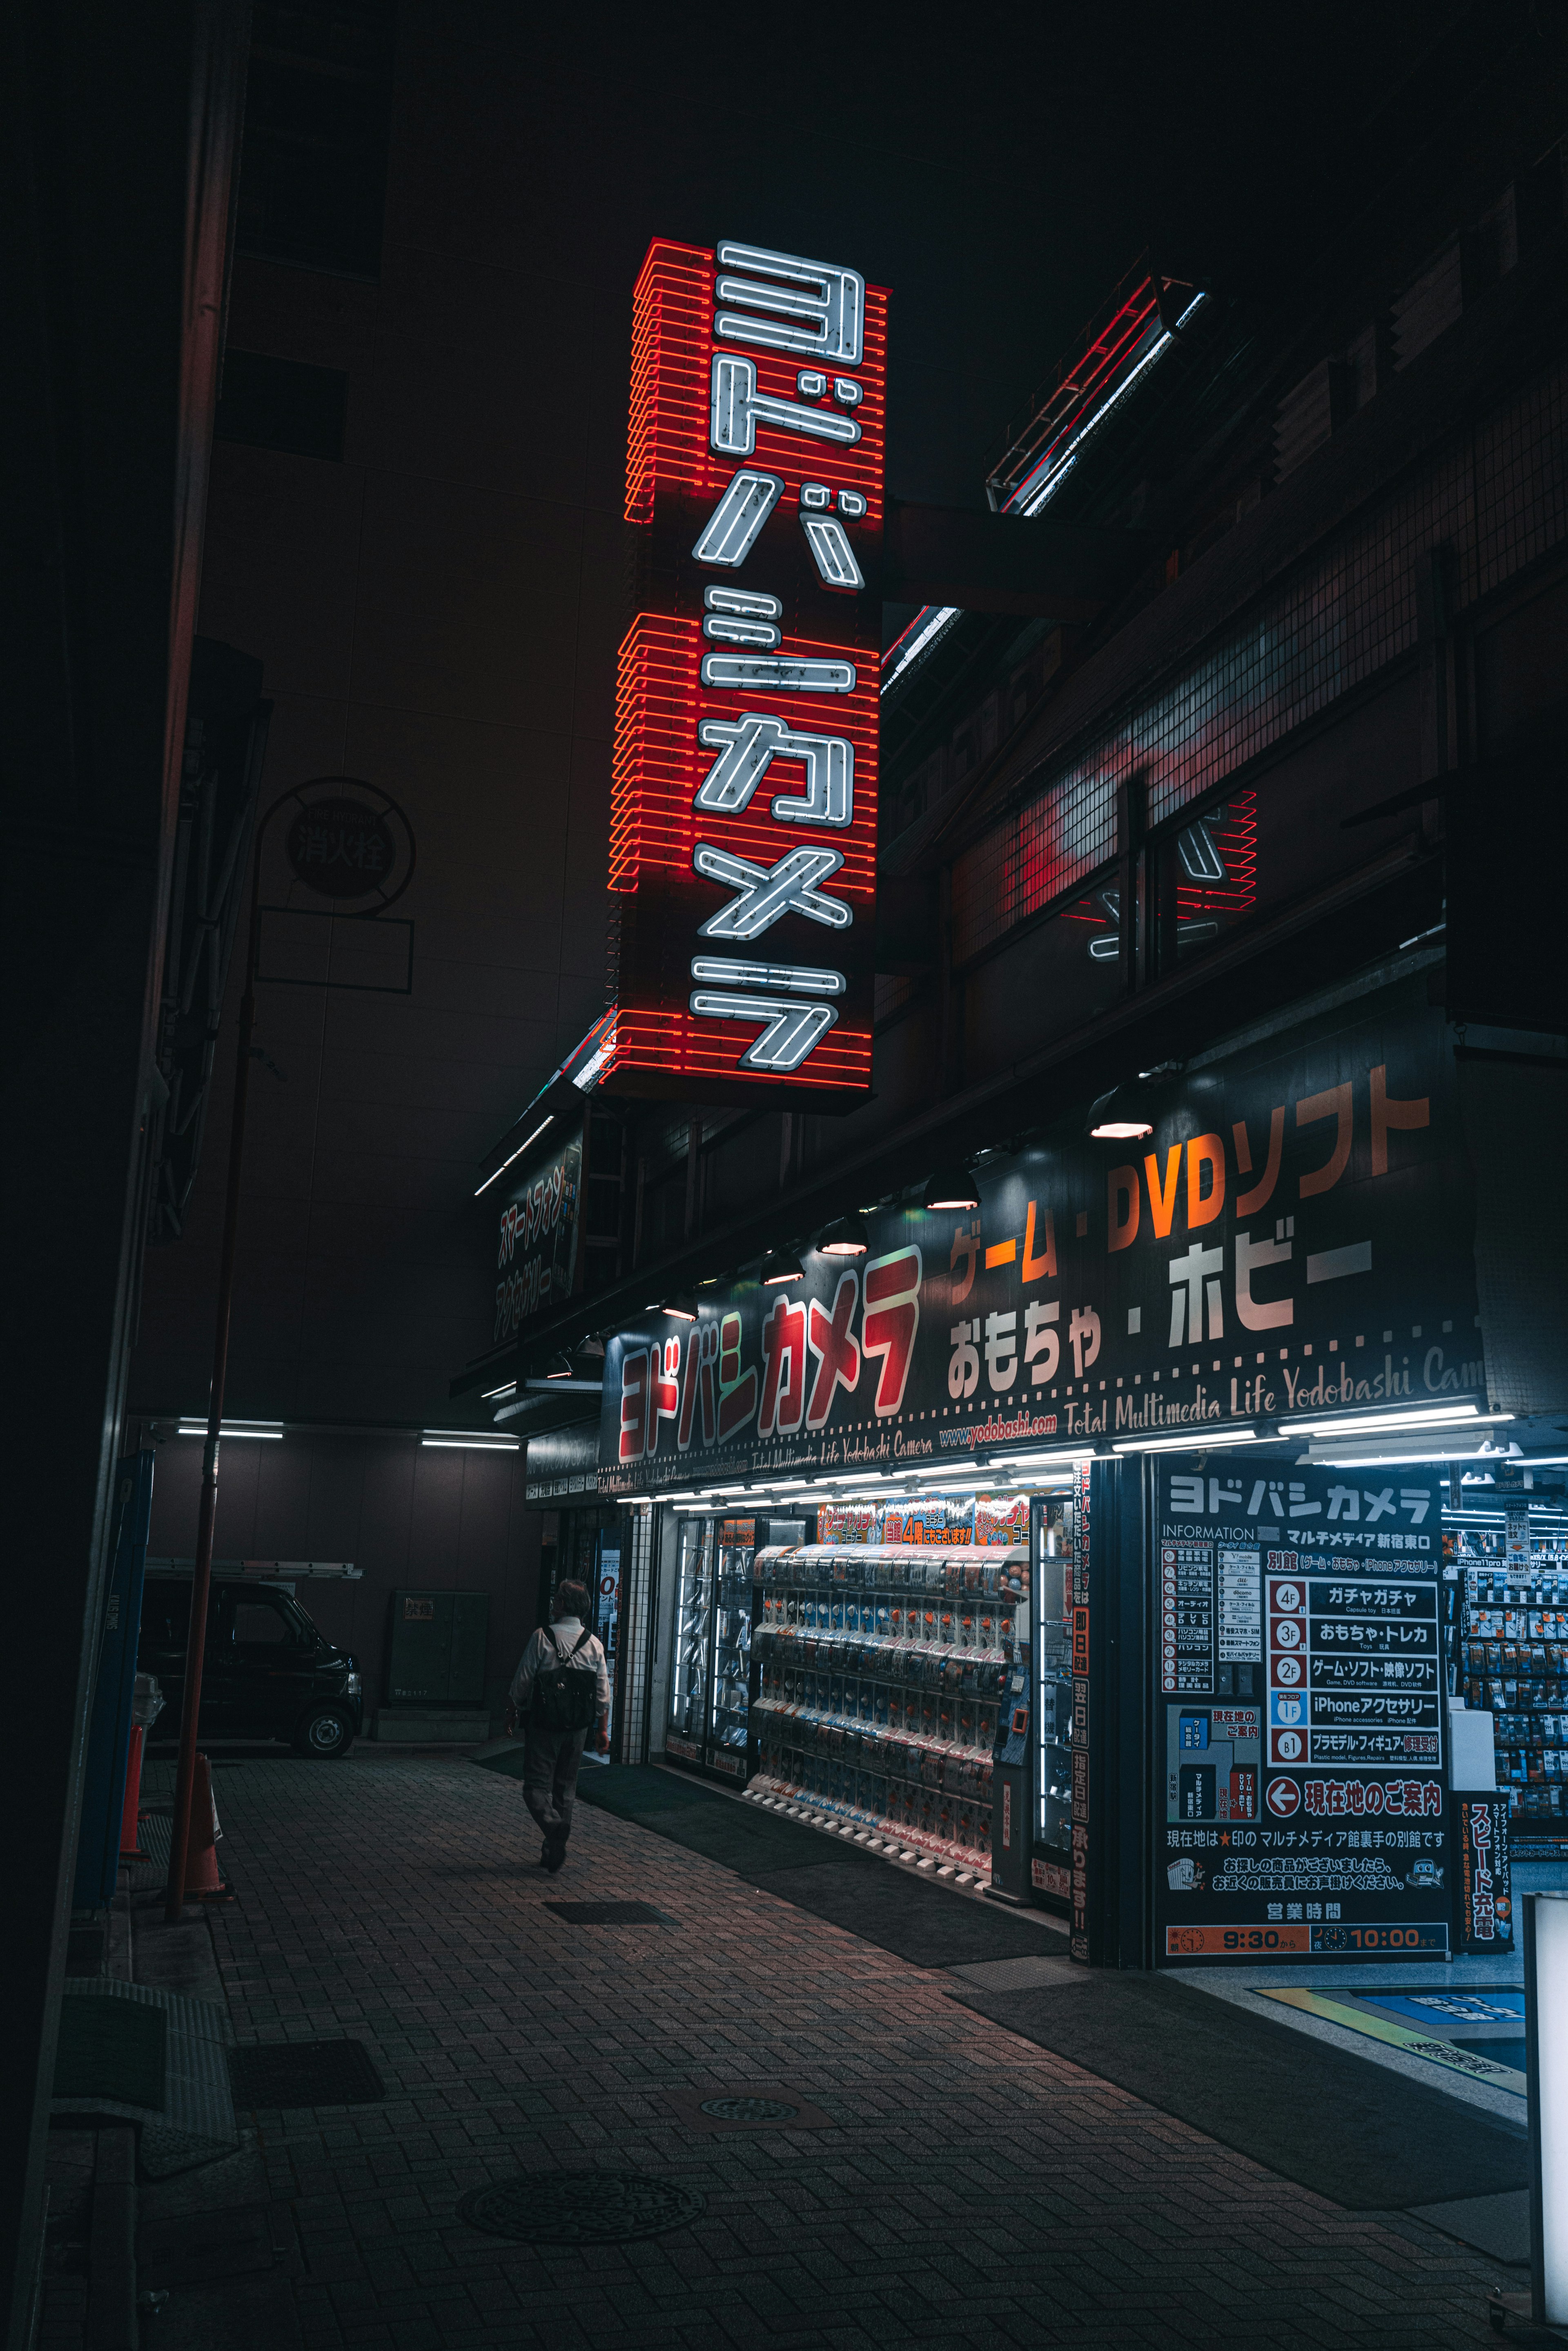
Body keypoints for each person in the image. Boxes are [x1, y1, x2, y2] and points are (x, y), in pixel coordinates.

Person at [505, 1580, 610, 1872]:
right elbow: (603, 1693)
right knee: (566, 1788)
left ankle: (552, 1827)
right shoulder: (594, 1643)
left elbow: (523, 1680)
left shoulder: (543, 1636)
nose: (553, 1604)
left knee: (535, 1786)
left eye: (556, 1600)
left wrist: (512, 1710)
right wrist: (602, 1730)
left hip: (544, 1723)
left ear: (563, 1604)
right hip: (578, 1727)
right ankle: (553, 1850)